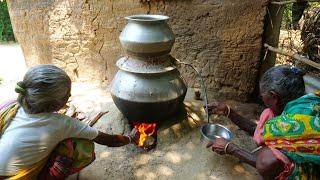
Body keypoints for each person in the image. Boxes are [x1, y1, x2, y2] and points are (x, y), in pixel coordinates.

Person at [0, 65, 140, 179]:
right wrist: (131, 138)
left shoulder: (12, 107)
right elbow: (108, 140)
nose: (70, 96)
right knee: (76, 144)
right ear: (54, 104)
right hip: (16, 176)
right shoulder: (62, 124)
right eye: (67, 94)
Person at [206, 65, 320, 179]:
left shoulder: (289, 125)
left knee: (267, 160)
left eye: (263, 97)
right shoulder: (311, 101)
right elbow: (258, 130)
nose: (263, 100)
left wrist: (230, 148)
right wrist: (228, 112)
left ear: (274, 96)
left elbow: (263, 162)